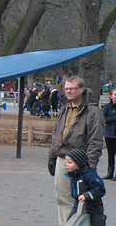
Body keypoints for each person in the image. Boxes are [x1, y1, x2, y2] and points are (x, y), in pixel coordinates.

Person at [48, 76, 105, 226]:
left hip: (80, 162)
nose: (68, 91)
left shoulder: (93, 112)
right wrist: (52, 156)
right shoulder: (64, 109)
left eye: (72, 88)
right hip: (62, 158)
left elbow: (95, 141)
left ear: (81, 89)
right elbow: (56, 134)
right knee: (62, 198)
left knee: (80, 201)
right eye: (66, 89)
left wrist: (90, 167)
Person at [64, 149, 106, 224]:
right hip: (78, 204)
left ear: (79, 163)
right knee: (72, 221)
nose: (67, 165)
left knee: (96, 223)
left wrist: (87, 195)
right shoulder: (74, 175)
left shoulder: (90, 174)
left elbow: (99, 189)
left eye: (70, 163)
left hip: (93, 206)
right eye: (67, 162)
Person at [102, 88, 116, 180]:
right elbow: (104, 118)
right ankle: (110, 172)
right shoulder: (107, 106)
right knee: (110, 154)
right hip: (109, 133)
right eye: (115, 95)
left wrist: (111, 118)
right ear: (111, 96)